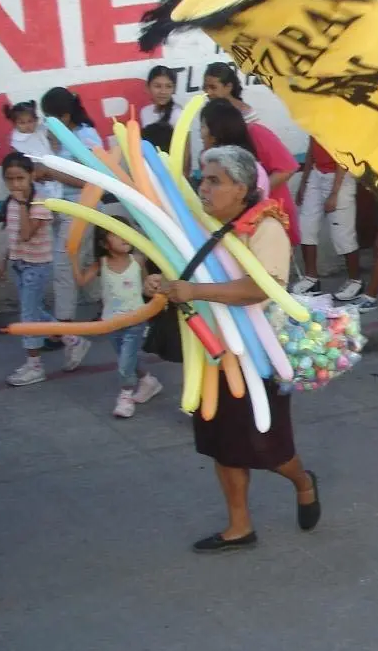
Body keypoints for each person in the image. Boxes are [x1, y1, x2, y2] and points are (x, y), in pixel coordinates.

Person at [145, 146, 319, 552]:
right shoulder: (199, 225)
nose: (203, 188)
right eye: (202, 179)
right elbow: (181, 272)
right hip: (211, 355)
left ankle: (303, 480)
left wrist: (195, 290)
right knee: (222, 446)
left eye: (214, 180)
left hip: (257, 356)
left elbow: (262, 287)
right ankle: (239, 526)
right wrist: (161, 283)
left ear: (241, 188)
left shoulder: (265, 225)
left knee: (269, 448)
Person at [0, 153, 91, 386]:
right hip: (19, 264)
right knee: (35, 311)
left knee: (29, 316)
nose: (15, 184)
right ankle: (73, 340)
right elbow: (13, 237)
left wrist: (21, 204)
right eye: (10, 179)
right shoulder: (11, 202)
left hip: (36, 267)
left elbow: (26, 234)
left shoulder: (40, 203)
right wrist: (4, 261)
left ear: (32, 176)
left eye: (20, 178)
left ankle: (34, 366)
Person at [72, 223, 163, 417]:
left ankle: (125, 396)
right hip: (112, 322)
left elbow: (149, 286)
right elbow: (81, 281)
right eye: (116, 234)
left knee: (124, 361)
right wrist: (72, 257)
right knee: (127, 357)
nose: (124, 237)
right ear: (104, 243)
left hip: (136, 319)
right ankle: (148, 382)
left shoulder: (138, 260)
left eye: (126, 232)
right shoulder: (101, 264)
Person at [39, 87, 101, 341]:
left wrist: (51, 170)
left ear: (64, 116)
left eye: (49, 117)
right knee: (83, 264)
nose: (46, 122)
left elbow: (94, 180)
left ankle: (63, 325)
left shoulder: (86, 135)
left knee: (64, 265)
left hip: (81, 209)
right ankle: (110, 308)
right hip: (63, 209)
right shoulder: (57, 135)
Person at [199, 99, 302, 250]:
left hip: (253, 235)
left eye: (202, 127)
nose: (200, 133)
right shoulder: (209, 160)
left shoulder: (254, 144)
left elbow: (288, 167)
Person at [294, 136, 363, 301]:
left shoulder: (340, 122)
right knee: (306, 226)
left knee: (342, 234)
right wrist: (304, 183)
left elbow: (344, 159)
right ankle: (311, 279)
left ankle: (356, 281)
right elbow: (311, 151)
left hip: (340, 178)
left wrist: (334, 193)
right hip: (317, 174)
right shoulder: (314, 118)